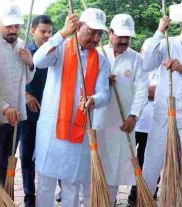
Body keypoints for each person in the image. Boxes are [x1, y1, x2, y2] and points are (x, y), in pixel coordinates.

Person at [33, 8, 109, 207]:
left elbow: (104, 93)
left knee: (72, 185)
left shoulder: (101, 60)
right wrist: (62, 34)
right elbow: (38, 60)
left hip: (78, 132)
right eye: (91, 31)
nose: (94, 38)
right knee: (45, 183)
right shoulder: (60, 47)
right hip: (51, 131)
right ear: (78, 27)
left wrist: (93, 99)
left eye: (99, 34)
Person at [93, 14, 148, 204]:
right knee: (94, 162)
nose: (124, 41)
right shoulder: (98, 54)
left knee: (115, 166)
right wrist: (101, 81)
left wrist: (134, 116)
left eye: (128, 37)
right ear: (110, 33)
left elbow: (141, 90)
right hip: (96, 120)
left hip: (122, 123)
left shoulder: (136, 59)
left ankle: (109, 200)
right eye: (120, 36)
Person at [0, 3, 35, 186]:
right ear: (0, 24)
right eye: (9, 26)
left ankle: (7, 197)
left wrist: (30, 63)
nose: (13, 30)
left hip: (17, 112)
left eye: (16, 26)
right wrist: (5, 107)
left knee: (10, 158)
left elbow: (26, 79)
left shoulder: (22, 44)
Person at [142, 15, 182, 194]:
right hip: (163, 113)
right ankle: (146, 199)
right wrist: (159, 31)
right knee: (152, 162)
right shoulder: (168, 42)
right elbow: (147, 63)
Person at [19, 15, 53, 207]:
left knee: (51, 153)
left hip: (51, 113)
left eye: (50, 31)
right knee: (27, 155)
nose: (47, 35)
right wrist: (25, 94)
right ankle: (29, 195)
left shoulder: (55, 52)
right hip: (29, 113)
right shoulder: (23, 51)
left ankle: (52, 192)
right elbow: (11, 79)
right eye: (43, 31)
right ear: (33, 31)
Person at [127, 38, 159, 204]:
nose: (149, 56)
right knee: (128, 157)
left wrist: (137, 89)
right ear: (141, 51)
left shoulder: (160, 68)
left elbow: (157, 91)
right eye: (146, 52)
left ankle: (141, 193)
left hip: (151, 124)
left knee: (146, 159)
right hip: (132, 122)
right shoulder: (135, 65)